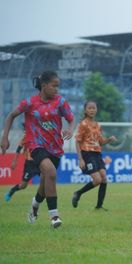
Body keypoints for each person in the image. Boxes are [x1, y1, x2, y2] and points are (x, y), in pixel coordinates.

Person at [1, 71, 75, 228]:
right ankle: (54, 216)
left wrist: (70, 129)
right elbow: (11, 116)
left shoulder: (60, 102)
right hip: (35, 145)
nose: (57, 89)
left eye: (58, 86)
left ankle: (34, 206)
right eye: (54, 86)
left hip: (55, 147)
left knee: (44, 182)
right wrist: (5, 137)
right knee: (51, 173)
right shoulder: (30, 102)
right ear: (44, 85)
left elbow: (71, 118)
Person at [72, 101, 117, 210]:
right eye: (89, 108)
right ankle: (78, 193)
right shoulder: (83, 124)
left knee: (104, 178)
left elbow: (101, 142)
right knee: (97, 180)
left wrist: (109, 140)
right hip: (87, 154)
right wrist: (80, 159)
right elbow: (77, 141)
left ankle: (99, 206)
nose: (92, 110)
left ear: (96, 110)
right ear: (85, 110)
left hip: (97, 154)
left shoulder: (97, 125)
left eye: (94, 108)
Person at [4, 131, 40, 202]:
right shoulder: (27, 135)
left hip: (39, 161)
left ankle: (38, 201)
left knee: (46, 179)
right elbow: (19, 148)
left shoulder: (42, 132)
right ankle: (12, 190)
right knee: (23, 185)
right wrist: (14, 160)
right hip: (29, 163)